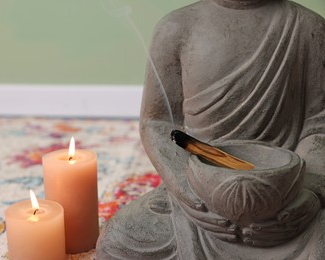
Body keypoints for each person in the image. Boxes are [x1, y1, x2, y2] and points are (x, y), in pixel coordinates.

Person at [96, 0, 325, 259]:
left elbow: (318, 127)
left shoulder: (307, 27)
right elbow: (157, 122)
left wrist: (311, 192)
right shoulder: (176, 28)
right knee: (118, 240)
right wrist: (186, 190)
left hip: (286, 195)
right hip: (200, 196)